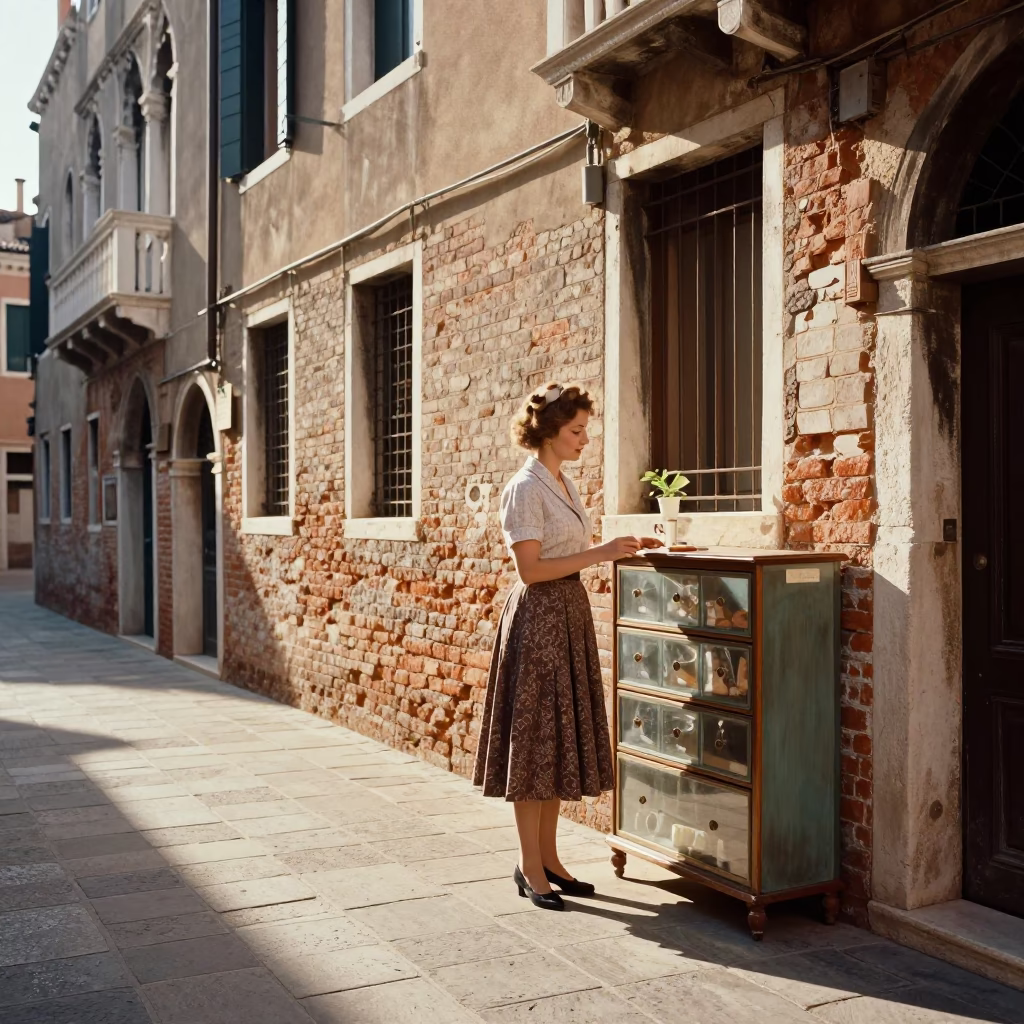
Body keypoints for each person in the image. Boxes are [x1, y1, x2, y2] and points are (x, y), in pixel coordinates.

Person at [473, 381, 659, 910]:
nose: (584, 439)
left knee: (553, 744)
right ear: (550, 431)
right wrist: (601, 552)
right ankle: (529, 866)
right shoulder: (525, 487)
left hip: (568, 616)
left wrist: (620, 546)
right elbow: (530, 570)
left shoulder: (563, 483)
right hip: (538, 621)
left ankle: (550, 859)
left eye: (585, 430)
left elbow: (573, 552)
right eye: (576, 431)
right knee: (533, 746)